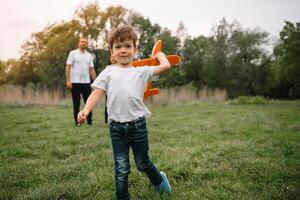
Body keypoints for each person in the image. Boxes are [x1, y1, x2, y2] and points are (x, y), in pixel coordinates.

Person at [77, 25, 171, 200]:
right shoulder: (107, 73)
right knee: (121, 168)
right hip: (116, 128)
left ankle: (159, 180)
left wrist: (158, 55)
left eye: (128, 46)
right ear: (112, 51)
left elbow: (166, 66)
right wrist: (86, 110)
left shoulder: (140, 72)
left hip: (138, 126)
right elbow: (96, 93)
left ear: (135, 49)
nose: (123, 51)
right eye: (118, 47)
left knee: (143, 163)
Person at [65, 37, 97, 126]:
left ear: (87, 44)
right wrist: (68, 80)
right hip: (75, 82)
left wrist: (96, 83)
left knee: (88, 102)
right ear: (79, 43)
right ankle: (77, 122)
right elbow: (68, 67)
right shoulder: (73, 53)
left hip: (86, 82)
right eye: (82, 42)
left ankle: (90, 122)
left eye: (85, 42)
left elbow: (92, 70)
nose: (84, 43)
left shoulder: (89, 55)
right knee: (76, 103)